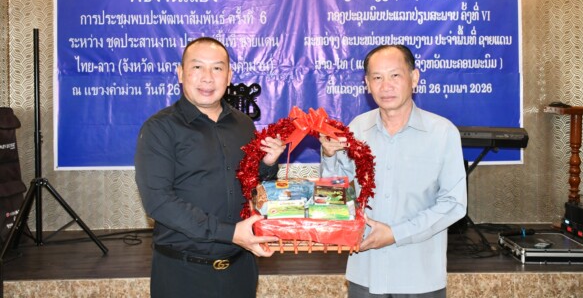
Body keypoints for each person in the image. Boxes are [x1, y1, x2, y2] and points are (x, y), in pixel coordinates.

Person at [135, 36, 285, 298]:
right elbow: (158, 201)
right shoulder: (159, 129)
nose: (207, 78)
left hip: (240, 269)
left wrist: (267, 165)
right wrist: (230, 233)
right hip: (183, 275)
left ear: (229, 76)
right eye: (197, 67)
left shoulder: (243, 124)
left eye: (217, 68)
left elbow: (251, 186)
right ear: (180, 73)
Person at [320, 44, 467, 298]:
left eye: (395, 75)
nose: (385, 86)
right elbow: (335, 198)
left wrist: (395, 234)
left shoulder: (443, 133)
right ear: (367, 84)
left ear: (414, 78)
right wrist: (330, 156)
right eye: (377, 78)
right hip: (365, 275)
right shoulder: (356, 129)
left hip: (420, 279)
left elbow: (453, 204)